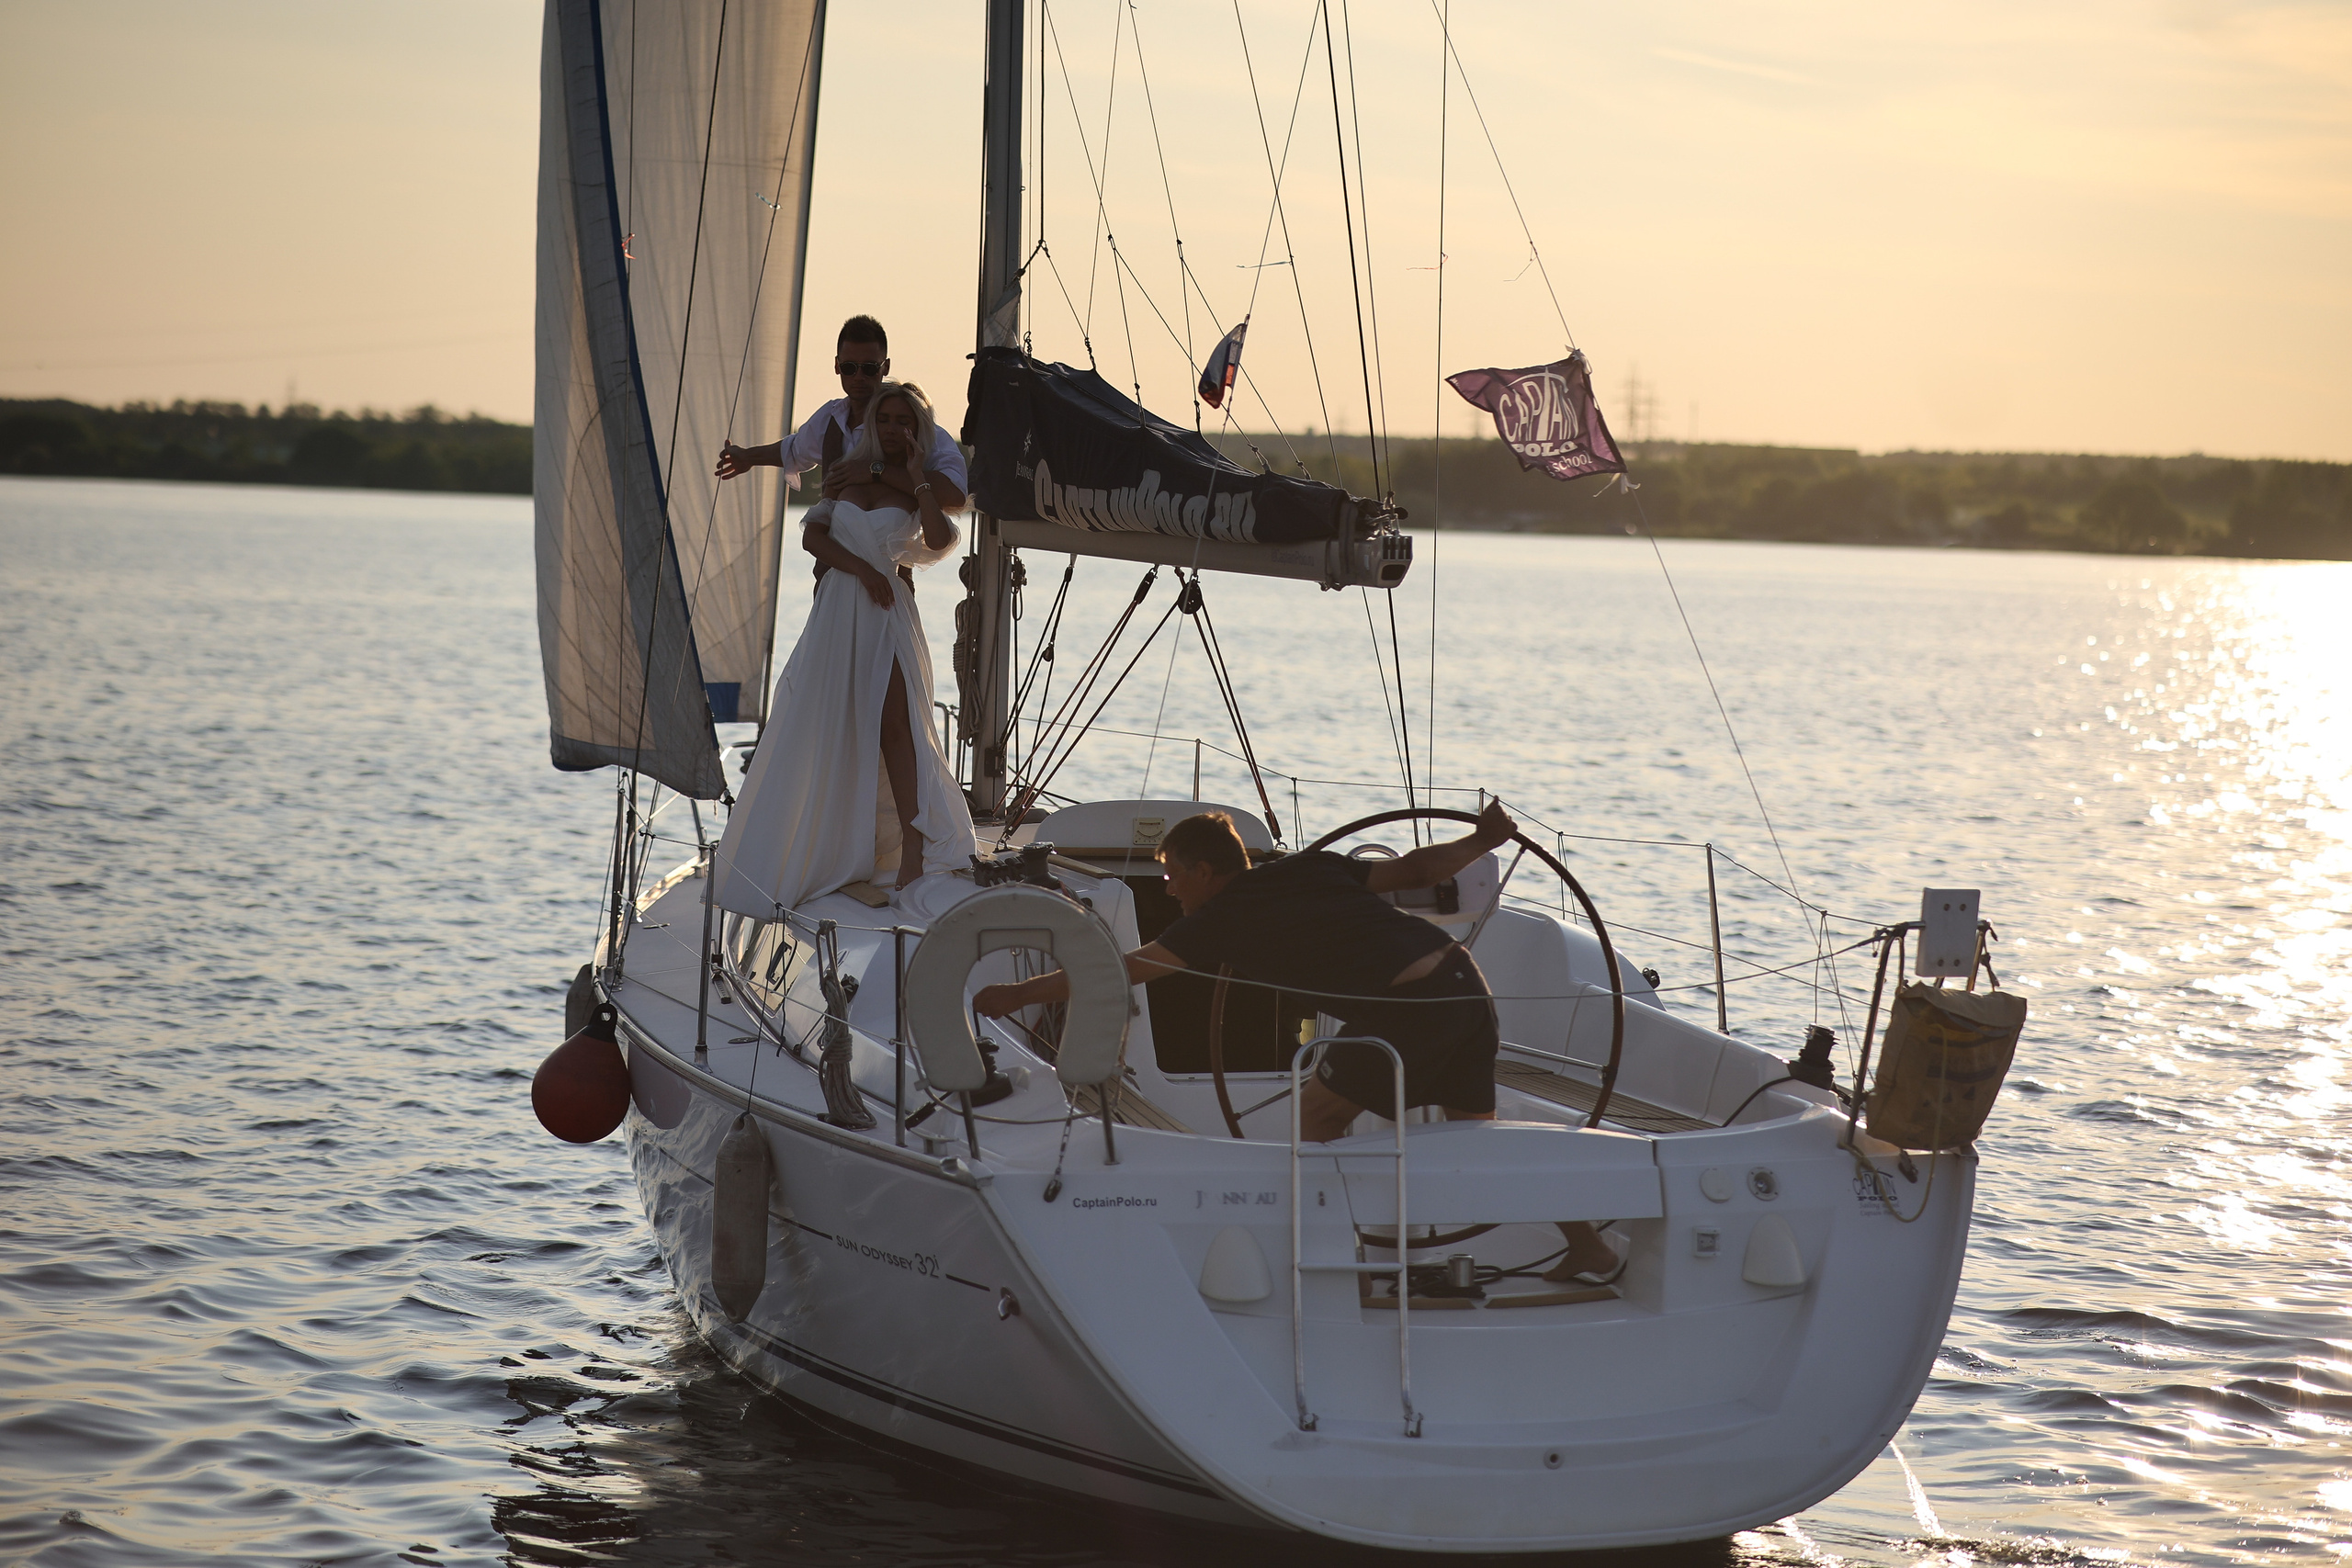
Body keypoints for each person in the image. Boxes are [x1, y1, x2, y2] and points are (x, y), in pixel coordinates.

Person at [973, 804, 1621, 1281]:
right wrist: (1480, 839)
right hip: (1462, 988)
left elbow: (1118, 970)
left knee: (1316, 1115)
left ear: (1204, 870)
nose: (1167, 887)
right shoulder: (1308, 868)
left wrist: (1015, 996)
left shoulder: (1221, 918)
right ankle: (1587, 1244)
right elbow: (1415, 868)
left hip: (1410, 1008)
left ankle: (1336, 1262)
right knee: (1480, 1143)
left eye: (1171, 874)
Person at [709, 382, 980, 910]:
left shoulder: (913, 482)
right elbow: (814, 537)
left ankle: (914, 851)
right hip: (840, 606)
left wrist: (919, 480)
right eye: (885, 419)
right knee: (830, 721)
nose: (893, 428)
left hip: (887, 611)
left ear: (916, 429)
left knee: (898, 726)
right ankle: (826, 846)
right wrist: (859, 570)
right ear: (873, 423)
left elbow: (943, 540)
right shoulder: (846, 469)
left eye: (904, 421)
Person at [713, 314, 967, 591]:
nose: (859, 377)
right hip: (830, 585)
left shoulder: (915, 428)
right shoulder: (830, 419)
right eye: (849, 367)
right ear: (837, 366)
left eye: (869, 368)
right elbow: (794, 448)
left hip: (889, 588)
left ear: (886, 367)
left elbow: (955, 494)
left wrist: (876, 472)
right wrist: (748, 457)